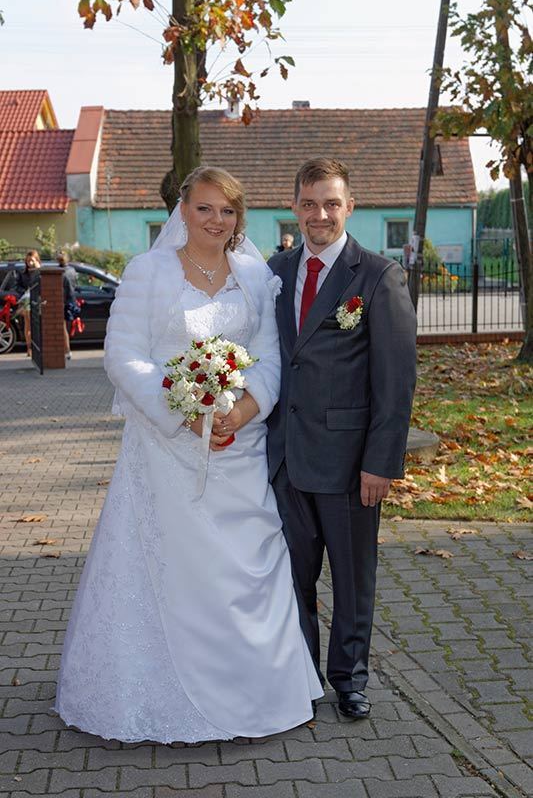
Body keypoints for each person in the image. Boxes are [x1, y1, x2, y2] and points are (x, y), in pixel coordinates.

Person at [55, 166, 322, 744]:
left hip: (239, 448)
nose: (216, 221)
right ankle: (160, 693)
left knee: (251, 564)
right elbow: (123, 356)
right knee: (171, 567)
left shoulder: (255, 278)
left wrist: (242, 411)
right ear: (184, 210)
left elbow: (269, 359)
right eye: (205, 208)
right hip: (165, 449)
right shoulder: (148, 272)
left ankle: (259, 692)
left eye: (227, 211)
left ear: (238, 218)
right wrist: (186, 413)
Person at [267, 158, 417, 721]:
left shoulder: (377, 276)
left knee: (353, 579)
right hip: (284, 458)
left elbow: (396, 381)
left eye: (331, 203)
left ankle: (350, 679)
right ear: (294, 207)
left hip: (351, 464)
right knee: (292, 578)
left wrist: (381, 461)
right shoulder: (275, 271)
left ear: (349, 207)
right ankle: (302, 675)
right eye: (309, 203)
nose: (320, 214)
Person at [15, 250, 41, 356]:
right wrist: (25, 291)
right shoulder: (23, 273)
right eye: (28, 261)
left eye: (32, 260)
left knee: (36, 325)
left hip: (38, 301)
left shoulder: (40, 271)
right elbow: (17, 286)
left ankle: (36, 347)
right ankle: (29, 348)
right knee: (28, 325)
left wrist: (38, 269)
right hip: (27, 301)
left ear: (37, 260)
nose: (30, 263)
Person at [57, 250, 77, 360]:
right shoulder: (72, 270)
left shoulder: (59, 272)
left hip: (62, 301)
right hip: (70, 300)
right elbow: (74, 285)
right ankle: (67, 350)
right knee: (65, 327)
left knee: (62, 327)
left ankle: (67, 350)